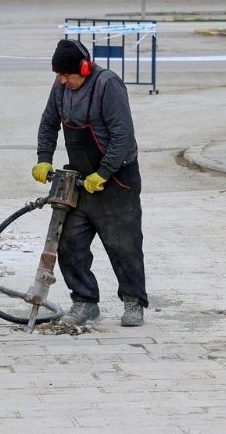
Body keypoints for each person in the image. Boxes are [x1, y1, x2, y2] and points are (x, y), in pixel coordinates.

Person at [33, 39, 146, 328]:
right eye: (59, 75)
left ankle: (133, 302)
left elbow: (122, 135)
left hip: (117, 180)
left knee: (123, 244)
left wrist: (105, 172)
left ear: (84, 67)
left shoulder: (107, 85)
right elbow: (48, 123)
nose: (62, 80)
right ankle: (85, 301)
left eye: (68, 74)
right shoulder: (60, 88)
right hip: (80, 181)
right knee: (69, 242)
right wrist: (44, 158)